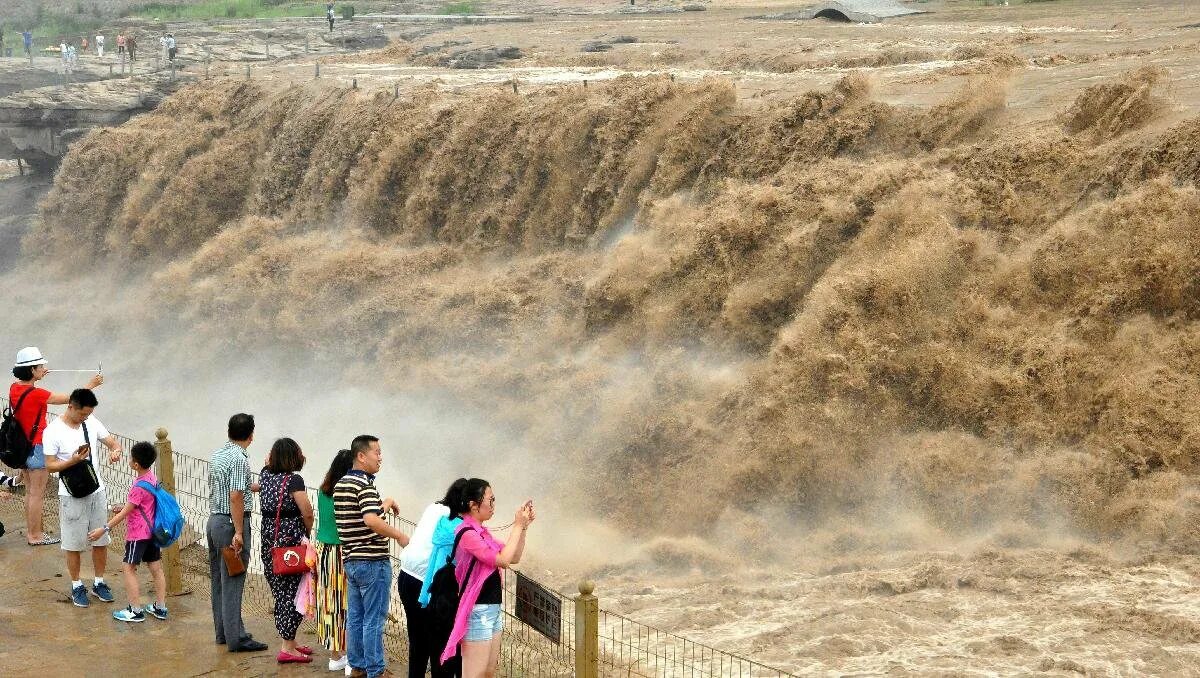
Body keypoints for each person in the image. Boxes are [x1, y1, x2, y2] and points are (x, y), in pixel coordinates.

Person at [440, 479, 535, 678]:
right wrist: (517, 526)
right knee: (474, 674)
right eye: (490, 500)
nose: (493, 505)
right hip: (477, 610)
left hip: (492, 609)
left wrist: (523, 527)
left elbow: (514, 557)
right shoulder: (467, 533)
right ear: (474, 505)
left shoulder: (482, 534)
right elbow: (503, 560)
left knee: (488, 672)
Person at [10, 346, 103, 546]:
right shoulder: (37, 394)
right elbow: (72, 400)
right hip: (36, 447)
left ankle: (33, 531)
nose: (44, 368)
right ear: (32, 370)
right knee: (37, 494)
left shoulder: (14, 388)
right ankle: (35, 535)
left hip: (22, 446)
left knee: (30, 492)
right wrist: (91, 385)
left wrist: (36, 378)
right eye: (40, 366)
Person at [334, 435, 410, 678]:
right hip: (373, 562)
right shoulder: (364, 486)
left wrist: (385, 503)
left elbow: (364, 514)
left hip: (351, 560)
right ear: (361, 456)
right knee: (374, 619)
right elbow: (370, 519)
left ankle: (357, 667)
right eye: (376, 452)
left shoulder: (342, 484)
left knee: (355, 617)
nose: (380, 457)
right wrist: (399, 535)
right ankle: (376, 670)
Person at [42, 388, 123, 608]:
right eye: (82, 414)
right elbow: (50, 466)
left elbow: (113, 443)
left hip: (97, 490)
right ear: (71, 407)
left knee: (101, 539)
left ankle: (99, 582)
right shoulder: (52, 431)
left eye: (88, 414)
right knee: (73, 543)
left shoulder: (91, 422)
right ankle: (77, 584)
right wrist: (74, 461)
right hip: (71, 494)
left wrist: (115, 451)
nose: (85, 418)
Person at [206, 413, 268, 653]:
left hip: (214, 522)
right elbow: (235, 495)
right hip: (230, 525)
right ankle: (237, 639)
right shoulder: (240, 460)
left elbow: (232, 487)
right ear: (251, 435)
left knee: (219, 581)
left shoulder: (219, 454)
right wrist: (239, 531)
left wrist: (262, 485)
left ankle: (224, 632)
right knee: (233, 580)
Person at [88, 441, 169, 623]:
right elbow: (141, 505)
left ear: (136, 464)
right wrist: (125, 507)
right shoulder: (152, 479)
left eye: (131, 458)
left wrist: (104, 529)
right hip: (153, 532)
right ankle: (160, 607)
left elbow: (126, 513)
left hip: (138, 534)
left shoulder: (138, 486)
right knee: (156, 569)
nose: (129, 460)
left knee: (129, 568)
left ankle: (135, 610)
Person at [402, 479, 467, 678]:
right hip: (427, 584)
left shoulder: (434, 507)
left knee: (417, 642)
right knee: (438, 646)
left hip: (406, 576)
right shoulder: (456, 523)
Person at [258, 438, 315, 664]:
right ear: (293, 456)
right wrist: (308, 534)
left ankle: (291, 642)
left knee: (281, 592)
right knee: (294, 594)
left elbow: (265, 465)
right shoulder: (294, 480)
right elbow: (307, 512)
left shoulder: (266, 477)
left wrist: (268, 461)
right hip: (290, 546)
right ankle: (286, 648)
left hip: (269, 544)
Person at [317, 449, 354, 673]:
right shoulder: (346, 492)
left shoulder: (324, 490)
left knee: (330, 603)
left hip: (325, 552)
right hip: (343, 552)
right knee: (350, 603)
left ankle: (335, 656)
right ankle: (351, 657)